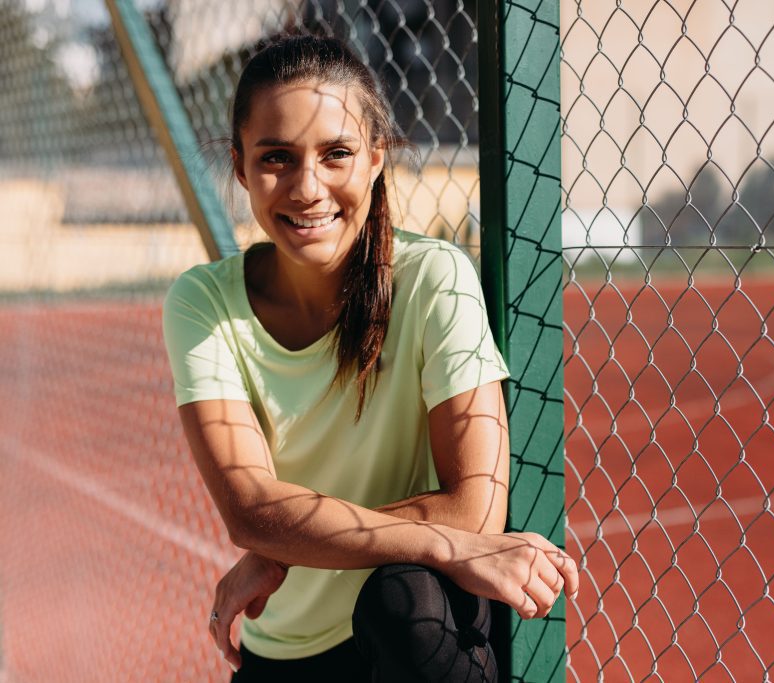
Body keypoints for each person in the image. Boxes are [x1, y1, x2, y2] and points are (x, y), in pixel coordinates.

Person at [162, 35, 577, 681]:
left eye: (337, 154)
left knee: (401, 599)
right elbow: (249, 509)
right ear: (241, 167)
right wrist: (274, 537)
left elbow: (475, 509)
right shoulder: (203, 302)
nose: (307, 187)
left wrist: (288, 548)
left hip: (419, 637)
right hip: (284, 651)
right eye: (276, 157)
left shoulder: (433, 278)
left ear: (376, 156)